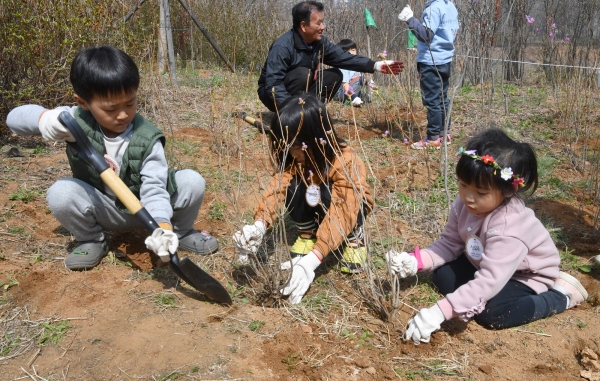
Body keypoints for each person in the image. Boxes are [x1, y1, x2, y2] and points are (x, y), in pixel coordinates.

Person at [6, 46, 219, 270]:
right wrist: (43, 118)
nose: (123, 114)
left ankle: (179, 233)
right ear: (83, 103)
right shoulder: (75, 122)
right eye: (111, 108)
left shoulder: (147, 138)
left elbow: (155, 188)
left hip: (149, 211)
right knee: (61, 193)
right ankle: (92, 239)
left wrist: (162, 226)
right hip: (106, 209)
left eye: (130, 103)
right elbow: (14, 119)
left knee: (191, 182)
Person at [386, 128, 588, 344]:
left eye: (481, 193)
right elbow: (450, 243)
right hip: (485, 261)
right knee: (442, 274)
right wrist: (414, 261)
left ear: (508, 191)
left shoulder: (510, 228)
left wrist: (440, 312)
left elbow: (491, 279)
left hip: (524, 274)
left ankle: (561, 296)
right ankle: (469, 296)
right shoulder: (465, 204)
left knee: (493, 313)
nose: (468, 198)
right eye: (463, 185)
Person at [232, 94, 374, 304]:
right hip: (318, 207)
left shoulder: (346, 160)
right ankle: (308, 232)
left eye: (295, 145)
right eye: (286, 145)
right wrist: (260, 224)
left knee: (338, 197)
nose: (290, 151)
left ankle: (354, 236)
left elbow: (344, 209)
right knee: (291, 184)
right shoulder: (294, 160)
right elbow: (277, 188)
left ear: (315, 138)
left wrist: (313, 259)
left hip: (347, 211)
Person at [258, 1, 403, 112]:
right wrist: (290, 112)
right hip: (272, 96)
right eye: (319, 23)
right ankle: (295, 112)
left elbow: (344, 58)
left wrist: (375, 65)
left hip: (298, 88)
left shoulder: (320, 43)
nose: (323, 27)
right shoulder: (282, 47)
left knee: (335, 75)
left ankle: (311, 111)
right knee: (304, 74)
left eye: (323, 22)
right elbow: (273, 85)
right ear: (303, 26)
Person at [397, 1, 459, 149]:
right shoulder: (450, 6)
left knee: (432, 101)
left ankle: (433, 138)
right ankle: (444, 134)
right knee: (442, 98)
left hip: (431, 62)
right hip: (445, 59)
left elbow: (426, 35)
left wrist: (410, 19)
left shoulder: (434, 8)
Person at [332, 39, 365, 107]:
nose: (351, 53)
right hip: (341, 92)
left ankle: (360, 97)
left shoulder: (355, 65)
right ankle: (350, 100)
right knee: (359, 79)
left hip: (350, 89)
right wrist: (353, 96)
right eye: (346, 51)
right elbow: (345, 84)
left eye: (353, 50)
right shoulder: (343, 65)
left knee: (361, 80)